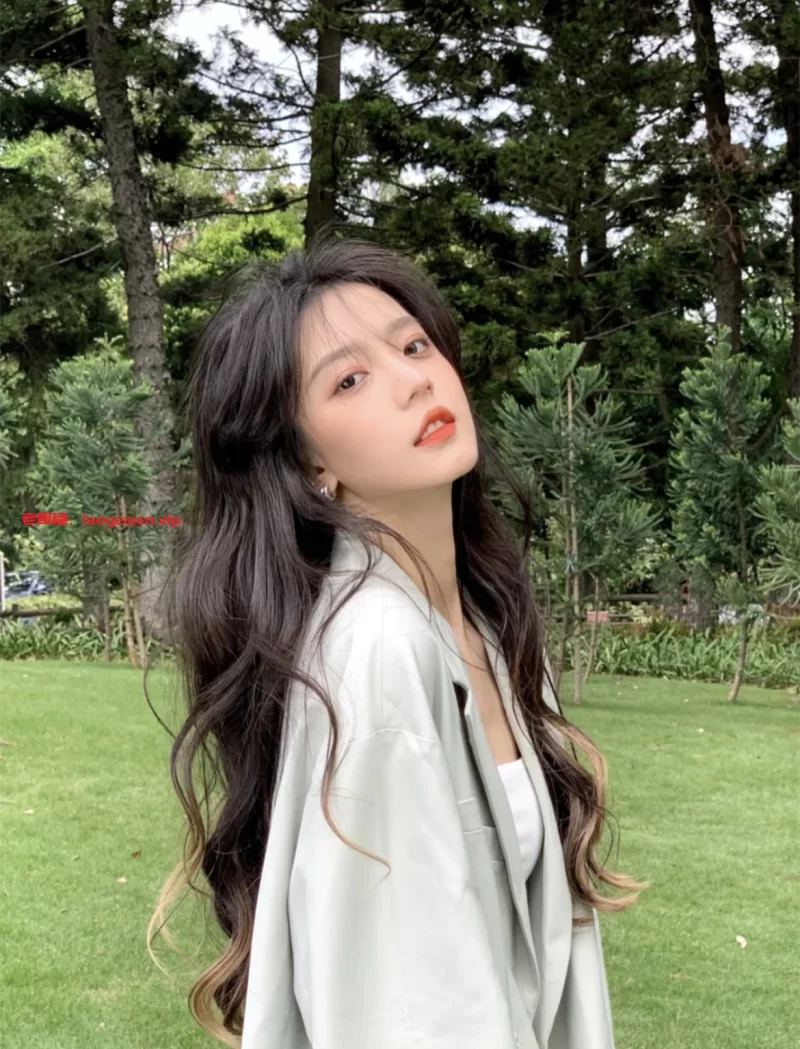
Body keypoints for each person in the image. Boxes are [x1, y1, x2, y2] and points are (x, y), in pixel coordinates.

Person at [148, 235, 646, 1048]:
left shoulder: (485, 625)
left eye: (413, 345)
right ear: (308, 462)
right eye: (349, 379)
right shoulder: (378, 648)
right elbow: (410, 1014)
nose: (414, 379)